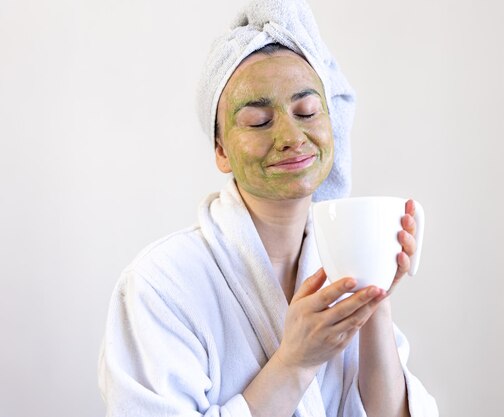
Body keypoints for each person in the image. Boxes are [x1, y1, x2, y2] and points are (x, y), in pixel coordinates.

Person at [98, 1, 438, 416]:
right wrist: (295, 362)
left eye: (308, 112)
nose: (292, 136)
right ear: (221, 151)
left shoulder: (335, 269)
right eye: (259, 120)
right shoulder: (161, 284)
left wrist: (374, 298)